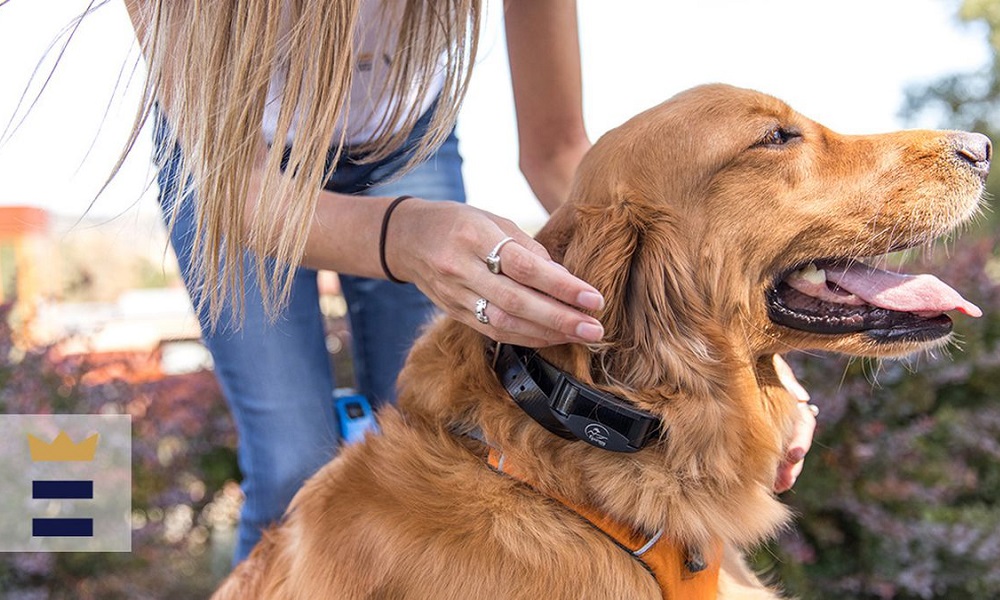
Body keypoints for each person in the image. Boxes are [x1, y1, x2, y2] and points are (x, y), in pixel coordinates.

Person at [122, 0, 816, 564]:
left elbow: (563, 162)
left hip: (402, 138)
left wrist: (749, 359)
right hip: (233, 167)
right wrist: (406, 237)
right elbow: (242, 194)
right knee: (289, 459)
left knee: (444, 432)